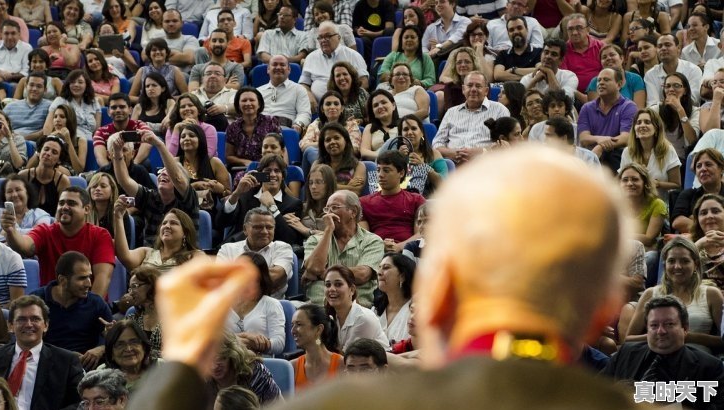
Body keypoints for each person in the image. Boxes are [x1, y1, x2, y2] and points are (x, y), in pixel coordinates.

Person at [128, 143, 648, 410]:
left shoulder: (351, 403)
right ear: (605, 307)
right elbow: (689, 393)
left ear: (438, 292)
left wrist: (183, 358)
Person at [603, 295, 724, 407]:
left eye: (669, 324)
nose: (661, 331)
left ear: (685, 328)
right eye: (654, 325)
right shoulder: (626, 353)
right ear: (647, 329)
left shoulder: (710, 368)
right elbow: (598, 390)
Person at [1, 187, 115, 296]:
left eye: (71, 203)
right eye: (61, 203)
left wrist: (89, 310)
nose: (64, 207)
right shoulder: (45, 231)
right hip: (52, 307)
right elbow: (24, 246)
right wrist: (11, 230)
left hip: (88, 304)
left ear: (86, 209)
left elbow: (103, 278)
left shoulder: (100, 235)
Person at [0, 295, 84, 410]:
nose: (28, 324)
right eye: (21, 319)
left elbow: (79, 403)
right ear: (10, 326)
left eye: (35, 319)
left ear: (46, 325)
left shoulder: (66, 361)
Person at [623, 237, 724, 355]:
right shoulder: (651, 294)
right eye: (671, 261)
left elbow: (722, 340)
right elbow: (628, 339)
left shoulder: (710, 294)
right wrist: (658, 335)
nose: (677, 266)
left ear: (695, 264)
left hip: (697, 362)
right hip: (657, 360)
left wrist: (690, 337)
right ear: (665, 264)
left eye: (685, 261)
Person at [112, 131, 200, 246]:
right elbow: (124, 181)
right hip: (151, 255)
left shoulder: (189, 199)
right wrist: (118, 153)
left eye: (167, 172)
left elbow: (178, 178)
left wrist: (159, 144)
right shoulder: (150, 197)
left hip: (181, 255)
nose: (162, 174)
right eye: (160, 171)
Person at [30, 251, 112, 369]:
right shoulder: (36, 302)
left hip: (88, 370)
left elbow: (113, 339)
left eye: (89, 277)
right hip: (46, 366)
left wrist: (101, 349)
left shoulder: (96, 303)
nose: (89, 284)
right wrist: (65, 357)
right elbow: (26, 343)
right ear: (62, 280)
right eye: (82, 278)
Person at [303, 190, 384, 308]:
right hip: (319, 310)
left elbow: (362, 275)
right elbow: (314, 267)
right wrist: (328, 230)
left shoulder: (372, 241)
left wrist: (323, 273)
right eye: (327, 209)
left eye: (334, 207)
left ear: (353, 212)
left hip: (357, 310)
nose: (328, 214)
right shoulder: (315, 240)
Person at [217, 154, 303, 246]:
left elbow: (289, 239)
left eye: (277, 171)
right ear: (260, 175)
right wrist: (236, 193)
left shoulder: (293, 204)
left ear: (283, 176)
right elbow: (221, 223)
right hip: (239, 250)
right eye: (268, 171)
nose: (272, 175)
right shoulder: (245, 196)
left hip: (270, 253)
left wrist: (272, 207)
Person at [432, 71, 510, 162]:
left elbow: (505, 143)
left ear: (486, 91)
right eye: (469, 85)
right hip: (452, 164)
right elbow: (437, 143)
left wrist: (479, 152)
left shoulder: (499, 110)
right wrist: (451, 153)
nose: (473, 89)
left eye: (478, 86)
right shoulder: (451, 112)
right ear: (463, 89)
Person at [218, 208, 294, 297]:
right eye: (258, 227)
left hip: (271, 307)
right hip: (233, 306)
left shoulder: (282, 248)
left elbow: (275, 276)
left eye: (269, 227)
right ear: (245, 229)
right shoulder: (228, 249)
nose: (265, 232)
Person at [360, 150, 426, 248]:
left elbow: (422, 233)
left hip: (409, 252)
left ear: (401, 173)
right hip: (375, 252)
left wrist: (399, 247)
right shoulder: (364, 202)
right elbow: (363, 237)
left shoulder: (416, 200)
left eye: (386, 170)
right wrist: (381, 246)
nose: (380, 175)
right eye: (378, 170)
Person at [223, 252, 285, 355]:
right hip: (227, 364)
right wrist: (245, 339)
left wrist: (261, 345)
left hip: (261, 362)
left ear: (261, 280)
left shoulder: (272, 304)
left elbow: (279, 343)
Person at [114, 202, 204, 274]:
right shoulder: (146, 253)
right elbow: (124, 256)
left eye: (173, 223)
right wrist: (118, 217)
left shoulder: (195, 256)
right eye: (164, 223)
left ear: (185, 232)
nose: (167, 226)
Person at [578, 68, 638, 172]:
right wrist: (599, 139)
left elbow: (626, 137)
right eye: (599, 80)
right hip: (590, 156)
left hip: (616, 157)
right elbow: (583, 138)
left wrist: (601, 146)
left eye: (606, 80)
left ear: (619, 85)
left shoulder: (628, 107)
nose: (601, 83)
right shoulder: (587, 108)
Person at [618, 108, 681, 200]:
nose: (642, 125)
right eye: (638, 123)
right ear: (634, 130)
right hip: (633, 203)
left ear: (656, 129)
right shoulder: (627, 152)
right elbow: (621, 181)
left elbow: (677, 184)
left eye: (647, 122)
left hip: (659, 202)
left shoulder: (668, 150)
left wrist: (658, 184)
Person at [300, 21, 369, 104]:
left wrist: (348, 101)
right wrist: (308, 94)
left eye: (328, 36)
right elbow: (303, 83)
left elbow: (364, 82)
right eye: (320, 37)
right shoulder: (311, 57)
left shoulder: (353, 55)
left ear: (338, 37)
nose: (323, 40)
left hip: (348, 104)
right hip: (318, 106)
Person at [324, 265, 389, 351]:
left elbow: (346, 358)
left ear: (352, 290)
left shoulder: (363, 318)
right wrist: (316, 341)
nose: (331, 289)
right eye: (328, 285)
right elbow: (318, 344)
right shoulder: (331, 317)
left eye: (338, 284)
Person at [299, 91, 362, 176]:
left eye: (336, 104)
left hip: (345, 162)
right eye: (328, 104)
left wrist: (332, 149)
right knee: (310, 151)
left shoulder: (351, 124)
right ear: (322, 109)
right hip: (321, 159)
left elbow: (354, 148)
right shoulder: (315, 124)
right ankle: (325, 177)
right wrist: (327, 145)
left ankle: (329, 177)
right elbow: (304, 145)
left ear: (342, 108)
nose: (332, 107)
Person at [649, 72, 699, 168]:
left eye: (676, 86)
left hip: (683, 162)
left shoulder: (695, 111)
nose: (671, 89)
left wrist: (680, 110)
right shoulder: (655, 110)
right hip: (659, 159)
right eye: (667, 86)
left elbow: (692, 140)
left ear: (685, 90)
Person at [174, 122, 230, 207]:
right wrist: (196, 185)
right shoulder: (175, 163)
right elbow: (170, 193)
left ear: (201, 139)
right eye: (183, 137)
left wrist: (221, 189)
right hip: (182, 210)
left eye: (191, 135)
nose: (186, 138)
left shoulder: (215, 162)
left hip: (209, 210)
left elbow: (228, 195)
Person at [225, 86, 281, 167]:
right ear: (238, 105)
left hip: (269, 167)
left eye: (252, 100)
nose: (248, 103)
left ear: (259, 104)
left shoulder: (271, 122)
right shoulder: (232, 127)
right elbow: (229, 156)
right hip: (242, 170)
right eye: (244, 101)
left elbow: (282, 149)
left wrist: (283, 170)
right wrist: (246, 162)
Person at [290, 304, 342, 390]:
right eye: (292, 325)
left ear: (318, 329)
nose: (293, 331)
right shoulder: (292, 367)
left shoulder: (342, 365)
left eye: (299, 324)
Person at [92, 93, 152, 168]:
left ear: (130, 110)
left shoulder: (140, 126)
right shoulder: (100, 132)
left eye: (122, 107)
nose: (118, 110)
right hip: (111, 169)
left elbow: (147, 144)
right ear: (108, 112)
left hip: (136, 167)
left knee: (146, 163)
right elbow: (101, 159)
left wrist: (133, 166)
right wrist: (115, 172)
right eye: (114, 107)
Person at [671, 149, 724, 234]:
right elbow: (677, 222)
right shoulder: (688, 195)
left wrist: (695, 219)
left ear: (721, 168)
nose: (703, 169)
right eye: (699, 166)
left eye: (708, 164)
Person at [644, 34, 702, 107]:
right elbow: (652, 104)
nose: (663, 48)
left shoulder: (693, 70)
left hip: (689, 114)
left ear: (678, 48)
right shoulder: (650, 74)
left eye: (668, 45)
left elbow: (694, 100)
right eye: (659, 46)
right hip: (661, 115)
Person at [99, 320, 158, 392]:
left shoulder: (162, 367)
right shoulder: (102, 374)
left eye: (134, 342)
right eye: (120, 344)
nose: (128, 349)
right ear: (111, 353)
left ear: (144, 347)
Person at [18, 135, 71, 215]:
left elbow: (62, 212)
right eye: (46, 149)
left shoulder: (63, 181)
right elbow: (17, 207)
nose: (48, 153)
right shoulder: (24, 175)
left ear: (59, 160)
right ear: (39, 153)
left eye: (54, 152)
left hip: (51, 224)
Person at [42, 70, 101, 141]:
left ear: (86, 85)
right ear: (68, 84)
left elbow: (97, 130)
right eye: (73, 82)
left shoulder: (94, 102)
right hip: (68, 141)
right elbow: (48, 126)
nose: (76, 85)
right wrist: (46, 141)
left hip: (90, 142)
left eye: (80, 82)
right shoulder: (60, 100)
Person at [257, 55, 311, 132]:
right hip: (261, 129)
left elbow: (304, 113)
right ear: (268, 69)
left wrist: (298, 124)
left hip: (286, 129)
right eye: (275, 64)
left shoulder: (299, 89)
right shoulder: (257, 92)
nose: (278, 67)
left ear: (289, 69)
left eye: (282, 65)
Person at [0, 175, 51, 242]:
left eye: (18, 190)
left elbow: (41, 235)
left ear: (27, 193)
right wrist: (30, 232)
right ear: (4, 196)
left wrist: (7, 232)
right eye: (9, 191)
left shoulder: (41, 214)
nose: (14, 195)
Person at [560, 14, 604, 104]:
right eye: (571, 29)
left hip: (601, 93)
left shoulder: (600, 47)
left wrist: (594, 97)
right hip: (575, 97)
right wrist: (584, 98)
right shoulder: (563, 50)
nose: (575, 32)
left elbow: (609, 74)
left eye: (579, 28)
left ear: (588, 30)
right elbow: (564, 80)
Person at [313, 123, 367, 196]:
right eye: (328, 140)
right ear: (323, 145)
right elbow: (316, 188)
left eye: (336, 138)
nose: (332, 142)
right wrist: (349, 187)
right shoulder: (317, 164)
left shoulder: (358, 165)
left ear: (346, 140)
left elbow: (356, 192)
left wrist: (326, 185)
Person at [121, 266, 162, 358]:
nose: (131, 293)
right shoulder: (132, 317)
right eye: (130, 288)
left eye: (135, 286)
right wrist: (114, 335)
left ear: (151, 285)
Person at [519, 38, 579, 102]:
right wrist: (534, 80)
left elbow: (561, 102)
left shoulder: (570, 77)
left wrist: (549, 72)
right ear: (541, 55)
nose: (548, 56)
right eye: (546, 52)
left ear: (561, 60)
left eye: (554, 54)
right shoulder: (527, 78)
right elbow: (521, 102)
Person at [374, 253, 414, 344]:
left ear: (402, 276)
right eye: (379, 267)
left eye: (386, 267)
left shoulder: (416, 310)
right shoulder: (375, 309)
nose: (379, 272)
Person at [3, 72, 53, 142]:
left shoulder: (51, 107)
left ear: (45, 90)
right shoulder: (10, 106)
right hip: (9, 142)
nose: (34, 89)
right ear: (26, 86)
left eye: (39, 86)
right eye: (31, 85)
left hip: (34, 144)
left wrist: (22, 139)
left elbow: (46, 131)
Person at [165, 93, 218, 157]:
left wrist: (196, 130)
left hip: (205, 165)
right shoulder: (172, 129)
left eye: (190, 105)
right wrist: (176, 130)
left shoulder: (209, 129)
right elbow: (169, 157)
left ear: (199, 110)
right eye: (182, 107)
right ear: (178, 112)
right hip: (178, 165)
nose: (186, 108)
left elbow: (208, 155)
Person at [492, 16, 542, 83]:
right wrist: (527, 77)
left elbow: (540, 71)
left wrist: (514, 70)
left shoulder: (538, 52)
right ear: (508, 34)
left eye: (519, 28)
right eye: (511, 30)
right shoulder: (503, 54)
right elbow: (498, 75)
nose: (515, 32)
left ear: (527, 30)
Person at [190, 62, 237, 132]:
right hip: (196, 132)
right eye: (208, 73)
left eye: (217, 74)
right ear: (202, 79)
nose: (212, 76)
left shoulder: (233, 93)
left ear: (225, 80)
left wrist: (224, 108)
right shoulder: (193, 95)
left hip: (225, 133)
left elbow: (241, 107)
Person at [690, 194, 724, 291]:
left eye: (715, 211)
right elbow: (676, 274)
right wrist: (698, 245)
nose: (709, 216)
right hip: (699, 299)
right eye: (703, 213)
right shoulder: (689, 245)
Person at [87, 172, 130, 242]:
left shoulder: (120, 213)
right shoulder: (84, 212)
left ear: (112, 190)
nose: (97, 189)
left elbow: (126, 245)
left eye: (103, 186)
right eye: (94, 186)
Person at [360, 90, 400, 161]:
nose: (380, 107)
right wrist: (385, 157)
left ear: (393, 105)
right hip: (377, 166)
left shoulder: (403, 124)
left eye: (384, 102)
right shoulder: (369, 128)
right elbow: (364, 152)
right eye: (375, 105)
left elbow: (420, 141)